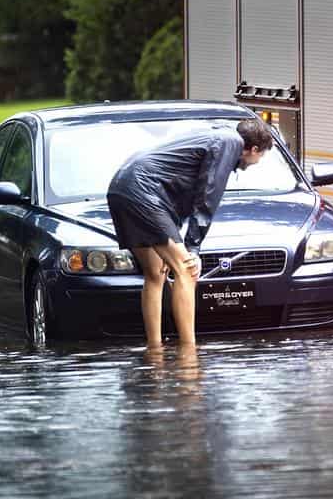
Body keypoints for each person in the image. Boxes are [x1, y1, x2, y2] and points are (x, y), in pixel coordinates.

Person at [106, 118, 274, 347]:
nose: (256, 162)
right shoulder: (230, 141)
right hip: (143, 190)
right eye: (261, 156)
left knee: (155, 272)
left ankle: (155, 350)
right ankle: (189, 353)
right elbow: (208, 194)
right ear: (254, 149)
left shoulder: (216, 135)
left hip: (122, 187)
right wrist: (193, 247)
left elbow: (181, 189)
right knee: (187, 269)